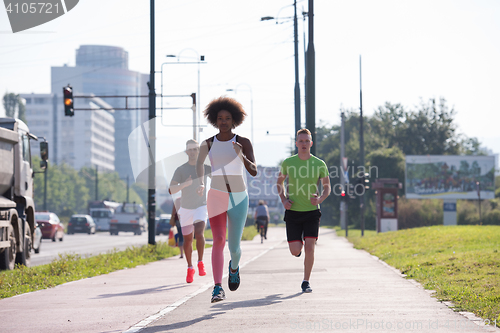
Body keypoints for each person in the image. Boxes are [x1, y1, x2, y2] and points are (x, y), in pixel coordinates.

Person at [196, 96, 257, 303]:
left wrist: (242, 156)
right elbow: (199, 169)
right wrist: (201, 184)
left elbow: (254, 171)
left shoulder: (243, 142)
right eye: (220, 118)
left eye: (227, 118)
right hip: (216, 196)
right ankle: (217, 288)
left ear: (234, 120)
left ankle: (234, 268)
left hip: (239, 197)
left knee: (234, 248)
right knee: (219, 240)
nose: (223, 122)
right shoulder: (208, 144)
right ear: (215, 120)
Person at [276, 128, 331, 293]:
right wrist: (284, 200)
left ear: (311, 143)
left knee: (310, 247)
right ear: (296, 143)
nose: (304, 144)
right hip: (293, 211)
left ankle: (306, 281)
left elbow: (327, 187)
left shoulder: (319, 164)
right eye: (301, 141)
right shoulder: (288, 163)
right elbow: (279, 183)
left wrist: (320, 199)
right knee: (295, 250)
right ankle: (297, 250)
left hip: (311, 212)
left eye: (307, 141)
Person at [169, 140, 211, 283]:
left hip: (201, 206)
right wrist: (185, 184)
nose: (192, 152)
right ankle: (190, 267)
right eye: (190, 150)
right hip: (186, 208)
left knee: (199, 233)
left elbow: (220, 178)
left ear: (199, 151)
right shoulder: (180, 170)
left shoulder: (204, 167)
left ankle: (200, 262)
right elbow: (171, 189)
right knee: (187, 241)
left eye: (195, 149)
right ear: (186, 152)